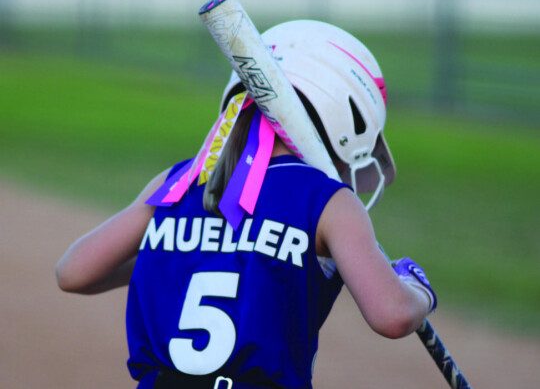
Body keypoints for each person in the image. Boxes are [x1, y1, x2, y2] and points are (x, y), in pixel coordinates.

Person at [56, 20, 437, 389]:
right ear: (344, 118)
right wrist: (417, 287)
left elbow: (73, 271)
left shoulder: (181, 181)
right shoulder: (330, 202)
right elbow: (391, 314)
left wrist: (187, 255)